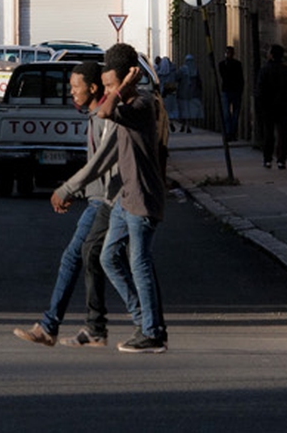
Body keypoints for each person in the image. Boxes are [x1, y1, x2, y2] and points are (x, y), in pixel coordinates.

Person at [16, 61, 118, 348]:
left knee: (82, 258)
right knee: (93, 260)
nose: (72, 93)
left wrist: (69, 188)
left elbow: (101, 164)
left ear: (93, 88)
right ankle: (94, 327)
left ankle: (53, 326)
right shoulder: (94, 115)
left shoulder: (104, 116)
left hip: (106, 202)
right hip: (98, 199)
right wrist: (80, 190)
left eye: (76, 88)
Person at [97, 42, 169, 353]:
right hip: (126, 198)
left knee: (139, 263)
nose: (108, 91)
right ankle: (145, 321)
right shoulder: (129, 104)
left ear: (128, 78)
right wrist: (118, 86)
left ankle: (151, 333)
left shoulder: (141, 105)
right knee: (108, 257)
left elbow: (104, 110)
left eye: (111, 84)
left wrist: (124, 86)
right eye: (105, 86)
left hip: (143, 198)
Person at [255, 45, 287, 168]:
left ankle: (267, 159)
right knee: (283, 133)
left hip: (268, 106)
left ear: (272, 55)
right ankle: (281, 159)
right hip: (283, 105)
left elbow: (259, 90)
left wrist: (261, 103)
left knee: (268, 133)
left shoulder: (264, 70)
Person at [216, 45, 244, 141]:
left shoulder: (237, 64)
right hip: (227, 90)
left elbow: (240, 78)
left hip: (234, 90)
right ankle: (229, 132)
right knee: (227, 113)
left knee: (234, 114)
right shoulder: (223, 64)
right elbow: (224, 75)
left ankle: (232, 132)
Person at [172, 53, 202, 131]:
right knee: (190, 111)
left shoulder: (182, 69)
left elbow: (176, 78)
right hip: (192, 94)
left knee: (184, 110)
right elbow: (199, 82)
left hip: (183, 93)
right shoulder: (195, 70)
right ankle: (188, 126)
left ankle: (183, 125)